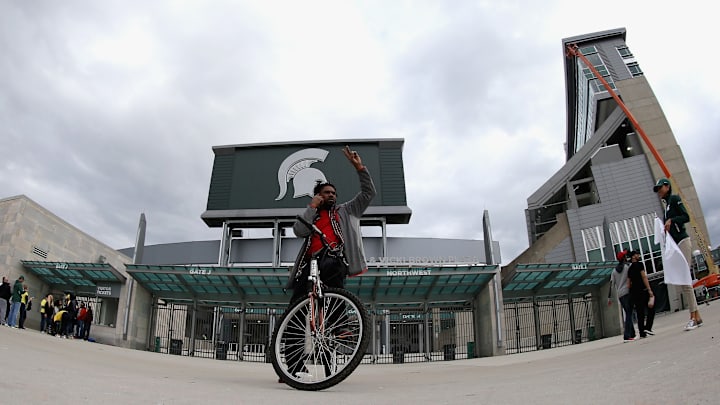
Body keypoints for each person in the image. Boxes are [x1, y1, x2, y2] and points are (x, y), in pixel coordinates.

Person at [282, 145, 376, 380]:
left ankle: (337, 335)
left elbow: (368, 194)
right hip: (309, 266)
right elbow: (298, 231)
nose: (331, 195)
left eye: (333, 193)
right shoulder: (312, 213)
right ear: (317, 196)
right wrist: (311, 207)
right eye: (326, 193)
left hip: (333, 261)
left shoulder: (346, 211)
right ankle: (291, 368)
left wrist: (360, 168)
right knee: (295, 313)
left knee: (331, 308)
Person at [653, 178, 704, 330]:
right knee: (683, 281)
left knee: (685, 280)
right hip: (675, 244)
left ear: (667, 187)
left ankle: (693, 317)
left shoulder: (674, 199)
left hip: (682, 242)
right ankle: (697, 316)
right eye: (657, 189)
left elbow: (686, 217)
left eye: (660, 188)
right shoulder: (667, 205)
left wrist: (672, 220)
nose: (659, 191)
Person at [608, 249, 636, 342]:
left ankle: (632, 333)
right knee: (629, 313)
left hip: (620, 295)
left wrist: (609, 298)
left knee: (628, 313)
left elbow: (611, 284)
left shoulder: (614, 271)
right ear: (623, 258)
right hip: (627, 292)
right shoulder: (627, 267)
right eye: (625, 256)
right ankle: (627, 335)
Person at [627, 250, 654, 338]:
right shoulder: (640, 265)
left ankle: (642, 332)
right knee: (651, 308)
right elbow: (644, 277)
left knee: (640, 312)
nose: (639, 255)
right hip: (643, 290)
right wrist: (649, 289)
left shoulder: (629, 269)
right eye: (637, 254)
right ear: (633, 256)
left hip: (635, 292)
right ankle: (648, 327)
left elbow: (628, 284)